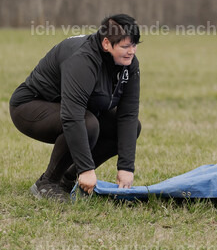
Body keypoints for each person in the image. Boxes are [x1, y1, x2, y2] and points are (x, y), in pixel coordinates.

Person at [10, 14, 142, 201]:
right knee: (88, 124)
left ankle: (66, 179)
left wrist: (126, 167)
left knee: (131, 126)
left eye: (134, 45)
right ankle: (47, 183)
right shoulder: (82, 59)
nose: (131, 51)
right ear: (106, 44)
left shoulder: (129, 64)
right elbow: (72, 116)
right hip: (29, 107)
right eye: (125, 46)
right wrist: (86, 169)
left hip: (74, 111)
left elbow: (127, 115)